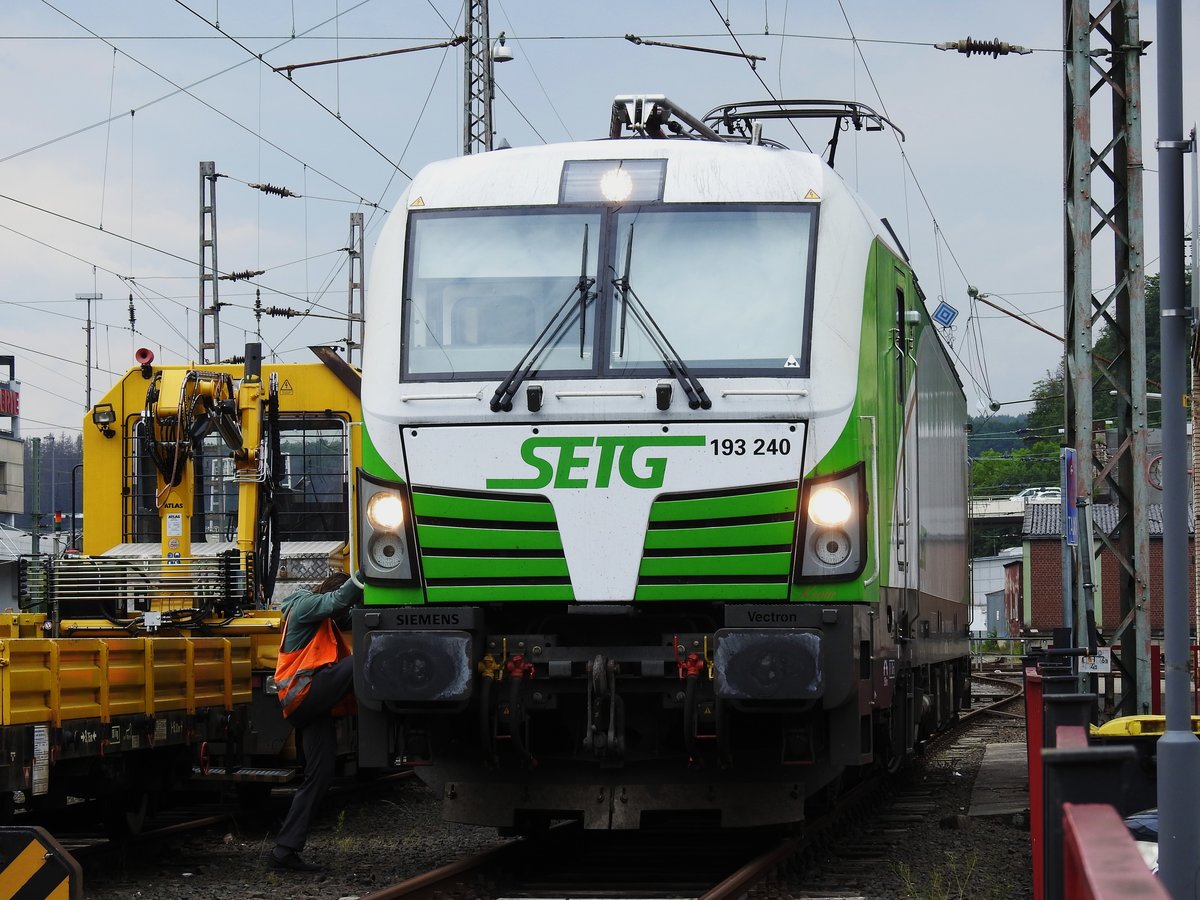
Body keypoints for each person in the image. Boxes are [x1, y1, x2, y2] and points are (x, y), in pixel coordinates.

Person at [267, 569, 363, 873]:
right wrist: (365, 576)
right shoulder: (306, 604)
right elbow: (339, 601)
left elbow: (347, 614)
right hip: (303, 695)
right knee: (366, 656)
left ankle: (284, 851)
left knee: (319, 776)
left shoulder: (324, 620)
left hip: (311, 706)